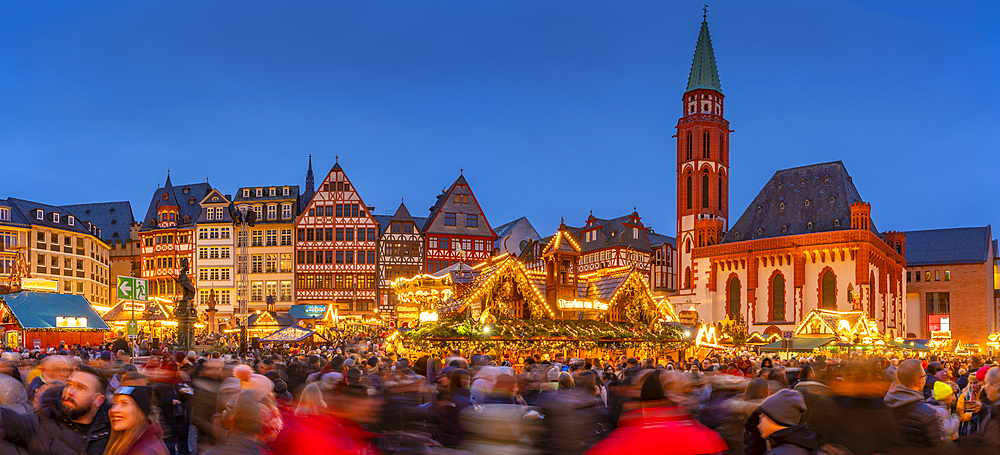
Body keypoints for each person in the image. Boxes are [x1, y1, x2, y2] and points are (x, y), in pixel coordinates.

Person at [0, 365, 113, 455]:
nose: (70, 392)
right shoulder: (41, 423)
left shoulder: (109, 435)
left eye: (81, 388)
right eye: (69, 385)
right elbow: (7, 419)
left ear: (98, 400)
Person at [883, 358, 940, 448]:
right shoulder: (927, 413)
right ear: (918, 381)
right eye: (924, 376)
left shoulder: (884, 404)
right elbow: (937, 446)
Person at [104, 385, 169, 455]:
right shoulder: (130, 441)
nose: (114, 410)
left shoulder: (145, 450)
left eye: (124, 403)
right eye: (114, 404)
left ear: (140, 411)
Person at [752, 389, 818, 455]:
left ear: (776, 417)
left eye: (762, 416)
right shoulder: (802, 444)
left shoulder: (779, 452)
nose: (758, 426)